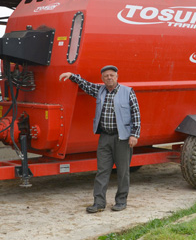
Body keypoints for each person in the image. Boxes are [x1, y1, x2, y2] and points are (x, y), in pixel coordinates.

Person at [59, 65, 140, 213]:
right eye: (106, 76)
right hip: (104, 138)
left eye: (112, 75)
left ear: (117, 77)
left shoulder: (128, 92)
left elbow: (136, 113)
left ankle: (121, 202)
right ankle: (99, 203)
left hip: (122, 138)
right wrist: (72, 75)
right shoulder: (99, 90)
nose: (109, 77)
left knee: (123, 172)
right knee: (102, 171)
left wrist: (134, 134)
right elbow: (85, 84)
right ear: (102, 78)